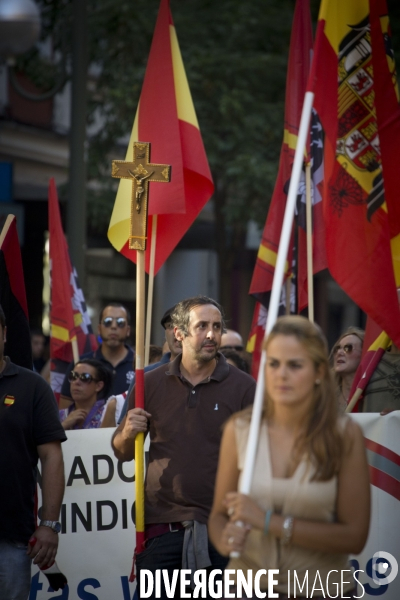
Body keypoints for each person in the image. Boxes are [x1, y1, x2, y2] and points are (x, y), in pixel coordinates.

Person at [208, 315, 370, 599]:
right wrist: (224, 539)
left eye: (294, 365)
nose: (281, 374)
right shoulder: (240, 429)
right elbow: (219, 516)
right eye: (274, 364)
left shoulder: (345, 434)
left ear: (320, 371)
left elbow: (354, 537)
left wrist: (268, 522)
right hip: (245, 587)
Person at [112, 296, 256, 599]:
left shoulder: (244, 387)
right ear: (179, 333)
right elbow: (122, 451)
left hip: (224, 533)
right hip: (162, 531)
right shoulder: (148, 383)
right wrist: (127, 432)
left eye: (216, 327)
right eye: (202, 326)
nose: (211, 334)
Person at [0, 305, 66, 600]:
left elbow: (51, 457)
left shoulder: (32, 386)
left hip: (12, 536)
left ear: (3, 334)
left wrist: (49, 525)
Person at [60, 302, 134, 406]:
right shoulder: (80, 364)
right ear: (99, 329)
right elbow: (64, 411)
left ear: (128, 330)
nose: (113, 326)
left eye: (120, 322)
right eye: (108, 321)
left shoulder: (140, 364)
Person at [59, 358, 113, 429]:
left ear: (98, 386)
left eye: (85, 377)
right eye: (73, 376)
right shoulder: (58, 416)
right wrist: (64, 425)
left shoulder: (108, 414)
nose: (76, 382)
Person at [331, 327, 364, 411]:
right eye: (337, 348)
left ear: (363, 354)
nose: (339, 353)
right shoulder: (325, 396)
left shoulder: (371, 397)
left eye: (348, 348)